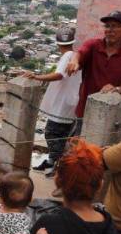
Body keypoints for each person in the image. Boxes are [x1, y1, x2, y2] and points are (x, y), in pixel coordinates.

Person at [66, 10, 121, 125]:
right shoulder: (93, 45)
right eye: (107, 26)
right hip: (86, 109)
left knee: (111, 143)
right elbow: (81, 52)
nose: (110, 30)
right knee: (82, 142)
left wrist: (117, 89)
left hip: (115, 112)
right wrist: (74, 60)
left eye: (115, 26)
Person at [24, 27, 81, 175]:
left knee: (51, 133)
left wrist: (37, 77)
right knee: (61, 134)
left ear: (58, 43)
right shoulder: (76, 56)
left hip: (62, 104)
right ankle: (52, 162)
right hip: (70, 102)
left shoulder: (68, 55)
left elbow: (59, 75)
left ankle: (54, 164)